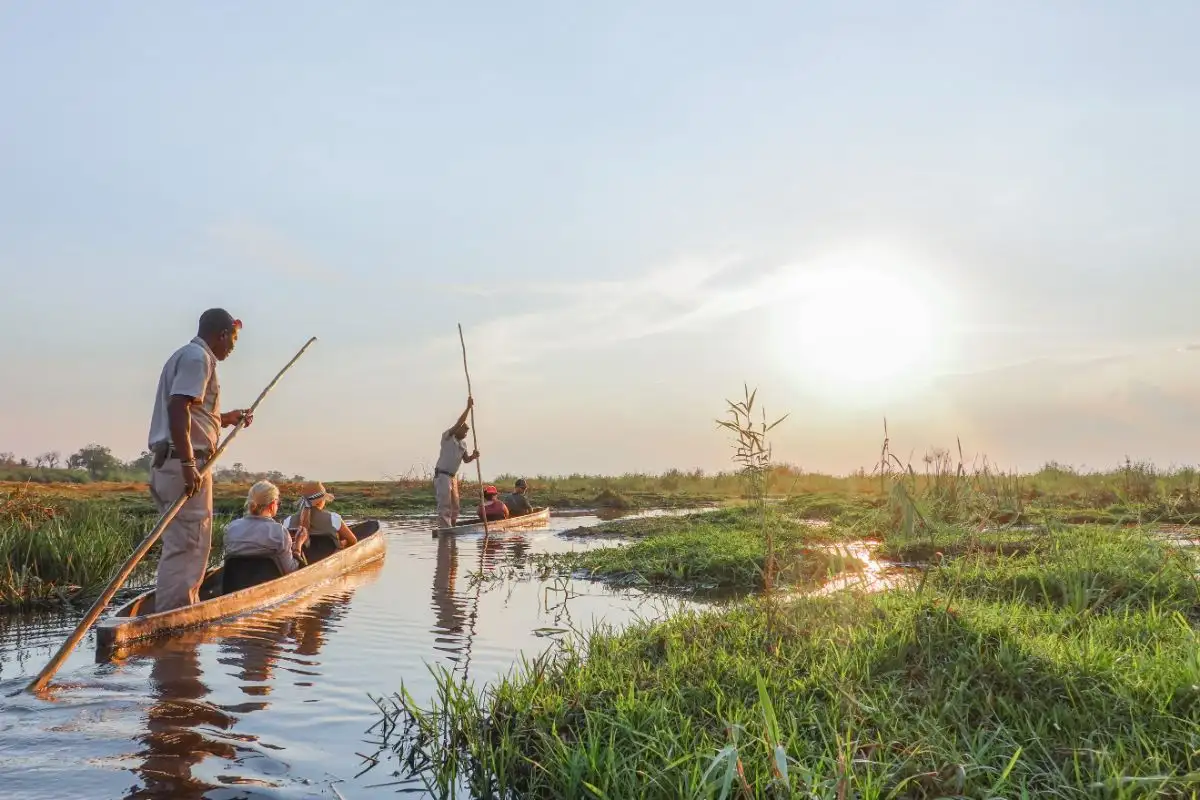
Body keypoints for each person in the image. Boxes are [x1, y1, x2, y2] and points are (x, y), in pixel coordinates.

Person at [147, 308, 254, 613]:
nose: (232, 347)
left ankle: (175, 612)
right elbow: (178, 407)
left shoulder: (188, 357)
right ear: (221, 334)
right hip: (183, 465)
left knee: (183, 544)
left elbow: (192, 413)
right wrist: (189, 464)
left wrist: (224, 419)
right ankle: (174, 620)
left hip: (175, 462)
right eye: (232, 340)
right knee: (190, 546)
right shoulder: (198, 359)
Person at [223, 480, 307, 577]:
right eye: (278, 503)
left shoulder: (231, 528)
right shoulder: (279, 531)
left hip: (235, 587)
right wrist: (297, 546)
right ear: (272, 505)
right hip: (272, 589)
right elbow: (291, 572)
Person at [433, 398, 480, 528]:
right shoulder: (447, 437)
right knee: (445, 505)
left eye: (467, 432)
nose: (465, 434)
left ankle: (452, 528)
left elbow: (466, 460)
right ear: (457, 429)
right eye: (464, 430)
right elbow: (460, 421)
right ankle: (445, 530)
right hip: (442, 475)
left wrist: (474, 456)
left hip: (452, 477)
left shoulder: (463, 444)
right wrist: (468, 408)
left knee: (455, 506)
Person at [282, 480, 358, 552]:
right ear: (321, 501)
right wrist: (343, 543)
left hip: (302, 560)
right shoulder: (333, 518)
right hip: (330, 559)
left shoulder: (288, 521)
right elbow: (353, 541)